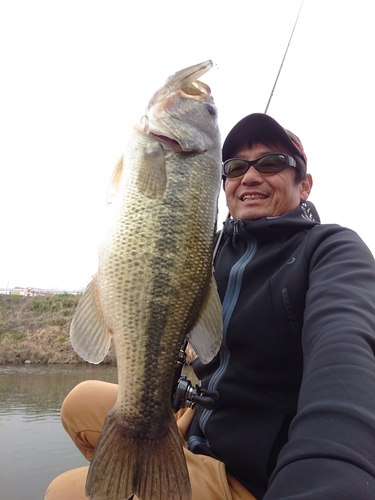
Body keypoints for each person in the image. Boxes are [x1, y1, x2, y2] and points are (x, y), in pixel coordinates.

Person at [45, 113, 375, 499]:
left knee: (63, 492)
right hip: (200, 422)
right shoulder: (211, 249)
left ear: (304, 186)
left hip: (251, 473)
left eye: (271, 163)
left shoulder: (332, 251)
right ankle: (142, 479)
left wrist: (327, 477)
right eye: (235, 167)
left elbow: (346, 356)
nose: (249, 177)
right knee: (79, 402)